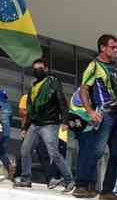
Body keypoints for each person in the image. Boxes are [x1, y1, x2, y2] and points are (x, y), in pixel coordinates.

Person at [72, 35, 117, 200]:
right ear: (103, 48)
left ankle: (107, 191)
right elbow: (83, 89)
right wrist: (90, 111)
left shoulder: (116, 67)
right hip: (105, 115)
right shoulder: (94, 66)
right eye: (113, 47)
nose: (116, 50)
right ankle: (81, 185)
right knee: (96, 151)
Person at [15, 59, 74, 192]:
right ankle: (26, 178)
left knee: (53, 152)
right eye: (35, 69)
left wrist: (65, 121)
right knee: (25, 150)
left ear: (46, 69)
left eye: (40, 68)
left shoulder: (53, 82)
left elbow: (61, 101)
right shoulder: (33, 86)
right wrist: (25, 128)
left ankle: (69, 180)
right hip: (35, 124)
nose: (37, 71)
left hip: (49, 123)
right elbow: (31, 109)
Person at [0, 89, 16, 179]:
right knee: (1, 152)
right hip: (7, 133)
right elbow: (11, 120)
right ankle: (9, 166)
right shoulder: (8, 105)